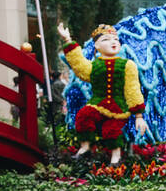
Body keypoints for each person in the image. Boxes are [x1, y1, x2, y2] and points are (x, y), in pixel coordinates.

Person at [57, 22, 145, 165]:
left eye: (115, 39)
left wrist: (139, 115)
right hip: (97, 104)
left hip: (118, 107)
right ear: (96, 46)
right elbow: (79, 66)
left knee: (111, 129)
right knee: (83, 116)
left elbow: (132, 89)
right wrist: (68, 40)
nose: (113, 42)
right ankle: (85, 147)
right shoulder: (94, 65)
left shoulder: (128, 65)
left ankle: (116, 156)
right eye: (106, 40)